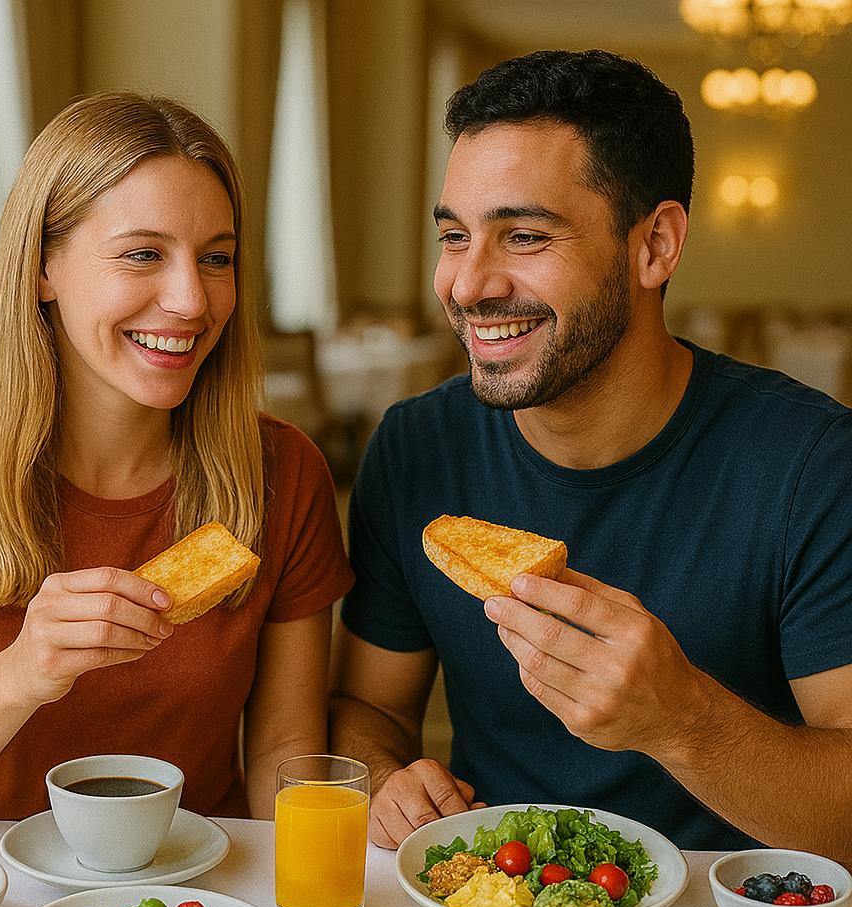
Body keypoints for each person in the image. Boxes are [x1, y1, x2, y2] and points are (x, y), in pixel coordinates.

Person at [330, 50, 852, 859]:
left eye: (525, 236)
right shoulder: (413, 447)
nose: (467, 285)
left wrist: (682, 720)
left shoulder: (812, 465)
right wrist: (384, 775)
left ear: (656, 246)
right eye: (455, 236)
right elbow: (370, 709)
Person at [0, 92, 353, 833]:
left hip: (197, 903)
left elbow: (283, 753)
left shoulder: (285, 472)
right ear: (44, 266)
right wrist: (23, 673)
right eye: (143, 254)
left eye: (217, 259)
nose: (189, 300)